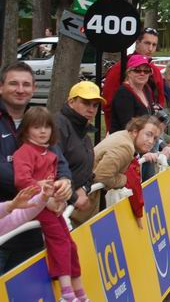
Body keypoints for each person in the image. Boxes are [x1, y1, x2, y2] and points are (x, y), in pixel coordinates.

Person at [0, 62, 72, 273]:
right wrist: (39, 189)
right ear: (1, 87)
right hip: (4, 226)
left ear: (33, 89)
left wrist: (64, 182)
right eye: (14, 84)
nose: (20, 89)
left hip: (33, 232)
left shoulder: (38, 119)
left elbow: (59, 160)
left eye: (26, 84)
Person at [14, 108, 87, 301]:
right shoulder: (25, 151)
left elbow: (54, 178)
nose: (43, 131)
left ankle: (79, 292)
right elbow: (22, 180)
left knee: (70, 244)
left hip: (51, 203)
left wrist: (59, 194)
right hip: (35, 205)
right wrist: (45, 197)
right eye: (36, 127)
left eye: (47, 126)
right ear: (26, 129)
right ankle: (66, 293)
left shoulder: (47, 151)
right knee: (61, 243)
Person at [93, 115, 162, 226]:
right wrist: (123, 180)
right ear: (135, 131)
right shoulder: (126, 147)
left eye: (155, 138)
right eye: (148, 134)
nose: (151, 141)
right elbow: (102, 176)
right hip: (85, 204)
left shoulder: (124, 137)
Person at [55, 82, 104, 226]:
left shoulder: (83, 131)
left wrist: (84, 188)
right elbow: (51, 168)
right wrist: (73, 196)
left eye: (95, 105)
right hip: (54, 207)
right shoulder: (57, 126)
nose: (91, 109)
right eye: (86, 103)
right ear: (71, 102)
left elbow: (87, 170)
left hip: (71, 207)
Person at [102, 28, 165, 129]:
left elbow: (160, 100)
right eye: (147, 43)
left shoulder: (155, 71)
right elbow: (108, 103)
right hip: (124, 131)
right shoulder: (120, 68)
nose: (150, 48)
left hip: (150, 130)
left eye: (154, 45)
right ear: (137, 43)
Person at [109, 54, 155, 133]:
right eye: (137, 70)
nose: (142, 73)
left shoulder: (146, 89)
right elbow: (128, 126)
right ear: (129, 73)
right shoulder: (124, 93)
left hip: (144, 139)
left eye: (146, 71)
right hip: (125, 141)